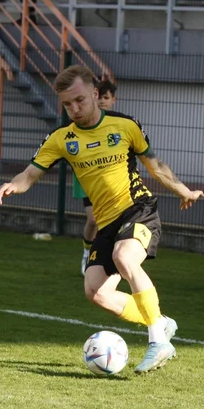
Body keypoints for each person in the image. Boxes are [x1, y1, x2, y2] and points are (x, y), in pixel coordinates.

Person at [0, 66, 204, 374]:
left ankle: (158, 341)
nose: (74, 109)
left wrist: (182, 189)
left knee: (125, 257)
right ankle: (159, 321)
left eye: (79, 100)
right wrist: (15, 184)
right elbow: (30, 173)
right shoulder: (61, 138)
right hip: (107, 223)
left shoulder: (124, 125)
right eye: (68, 104)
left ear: (95, 94)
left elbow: (155, 164)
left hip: (138, 209)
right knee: (96, 291)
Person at [73, 77, 117, 274]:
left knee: (112, 222)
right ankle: (86, 253)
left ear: (113, 100)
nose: (102, 101)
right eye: (99, 97)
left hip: (111, 180)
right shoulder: (84, 121)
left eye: (106, 97)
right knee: (93, 220)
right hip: (87, 177)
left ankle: (108, 260)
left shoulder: (119, 124)